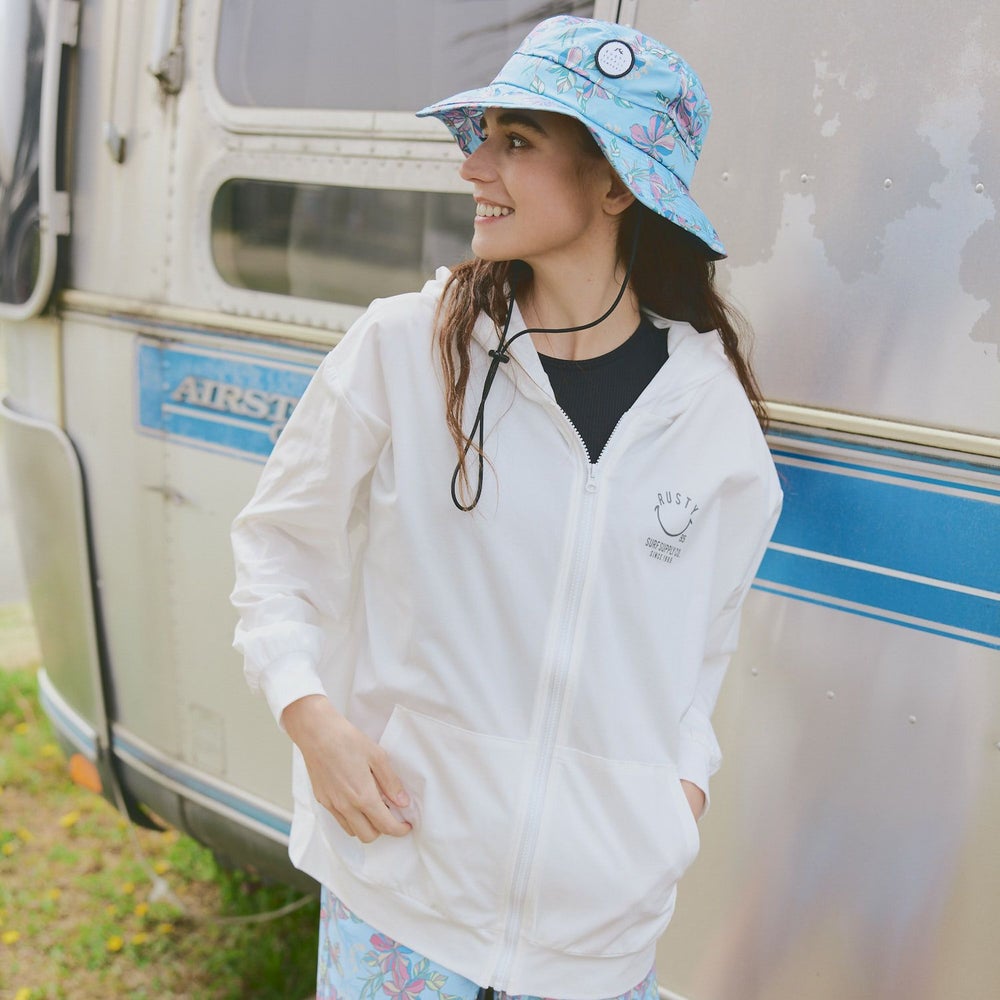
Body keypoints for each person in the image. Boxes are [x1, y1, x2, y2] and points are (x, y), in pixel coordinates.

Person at [230, 15, 782, 1000]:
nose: (472, 168)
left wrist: (671, 806)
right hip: (400, 907)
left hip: (597, 947)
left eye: (515, 142)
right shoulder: (403, 349)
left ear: (616, 184)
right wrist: (310, 717)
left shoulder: (710, 418)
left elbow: (698, 659)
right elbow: (278, 549)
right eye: (481, 138)